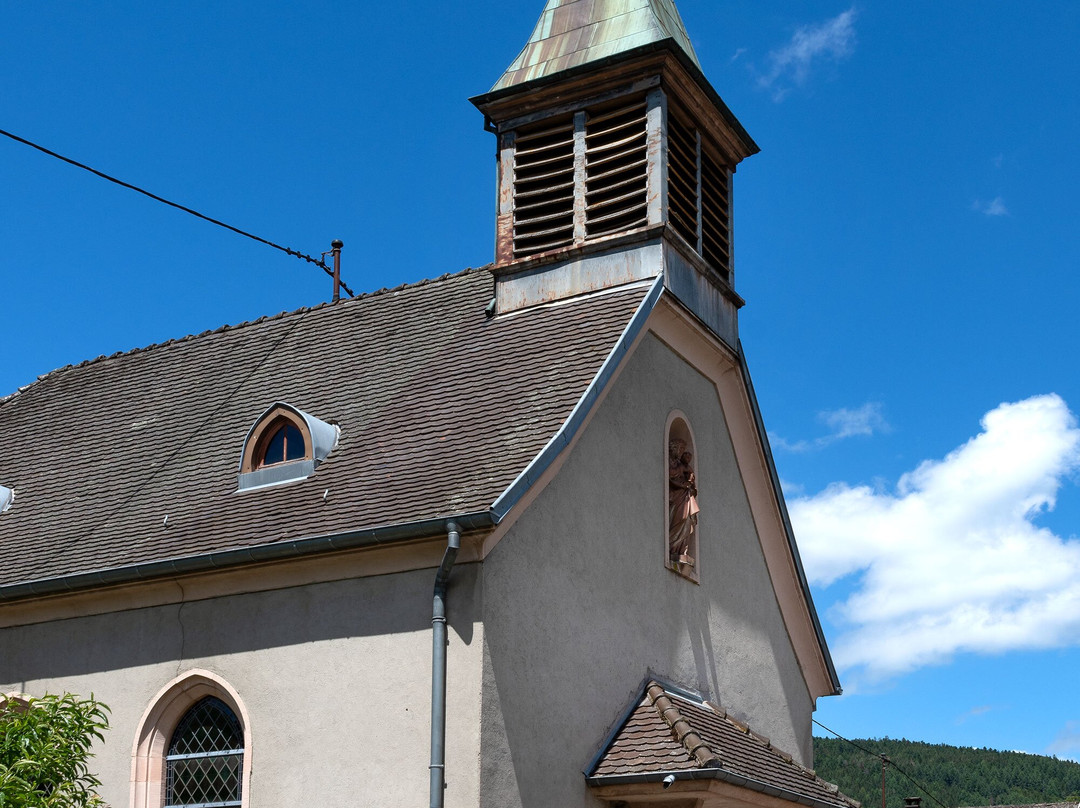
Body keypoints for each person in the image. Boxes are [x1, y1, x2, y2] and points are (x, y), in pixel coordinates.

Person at [668, 438, 699, 566]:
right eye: (679, 449)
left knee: (687, 520)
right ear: (673, 448)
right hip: (677, 496)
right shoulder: (673, 463)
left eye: (682, 450)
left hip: (685, 495)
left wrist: (689, 483)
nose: (681, 452)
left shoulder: (682, 465)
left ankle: (682, 549)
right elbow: (671, 476)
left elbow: (690, 475)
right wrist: (683, 485)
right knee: (679, 519)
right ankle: (673, 546)